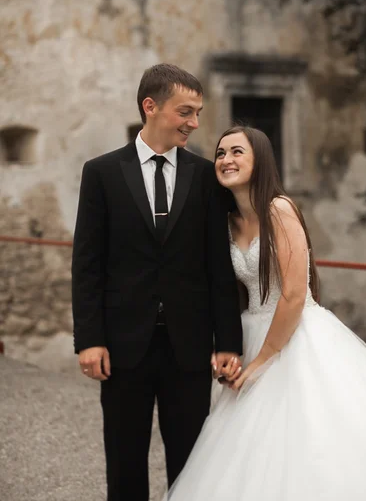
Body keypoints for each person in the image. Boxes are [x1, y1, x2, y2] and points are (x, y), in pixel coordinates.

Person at [166, 125, 366, 501]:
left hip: (293, 337)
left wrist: (262, 361)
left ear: (260, 159)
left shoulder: (279, 208)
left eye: (237, 151)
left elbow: (292, 294)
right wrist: (227, 349)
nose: (226, 159)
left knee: (306, 443)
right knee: (247, 449)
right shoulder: (226, 221)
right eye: (221, 153)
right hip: (250, 331)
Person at [71, 64, 243, 501]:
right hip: (123, 345)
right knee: (124, 462)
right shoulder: (102, 173)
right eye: (185, 111)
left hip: (189, 347)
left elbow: (218, 265)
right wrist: (89, 340)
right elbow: (87, 264)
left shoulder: (206, 176)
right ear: (151, 107)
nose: (195, 123)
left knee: (191, 464)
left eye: (199, 112)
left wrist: (228, 342)